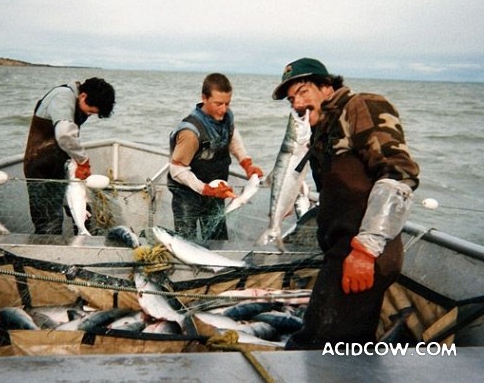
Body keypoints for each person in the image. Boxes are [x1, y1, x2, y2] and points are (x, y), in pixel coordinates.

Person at [271, 58, 420, 349]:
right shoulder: (320, 132)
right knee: (342, 346)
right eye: (291, 100)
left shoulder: (361, 106)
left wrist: (365, 250)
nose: (297, 104)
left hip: (366, 254)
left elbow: (399, 174)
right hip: (342, 254)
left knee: (317, 349)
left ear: (327, 87)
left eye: (303, 92)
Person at [167, 73, 263, 241]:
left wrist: (246, 163)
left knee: (217, 240)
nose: (223, 109)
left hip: (216, 190)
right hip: (187, 193)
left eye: (227, 103)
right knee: (186, 241)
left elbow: (233, 138)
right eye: (218, 104)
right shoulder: (190, 132)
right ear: (204, 98)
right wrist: (205, 189)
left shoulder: (226, 117)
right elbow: (177, 169)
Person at [24, 77, 115, 234]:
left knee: (84, 213)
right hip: (41, 168)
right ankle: (49, 254)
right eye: (90, 111)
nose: (89, 115)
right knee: (49, 222)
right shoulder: (62, 96)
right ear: (83, 96)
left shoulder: (76, 101)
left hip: (62, 165)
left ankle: (83, 244)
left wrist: (76, 161)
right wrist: (83, 161)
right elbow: (65, 135)